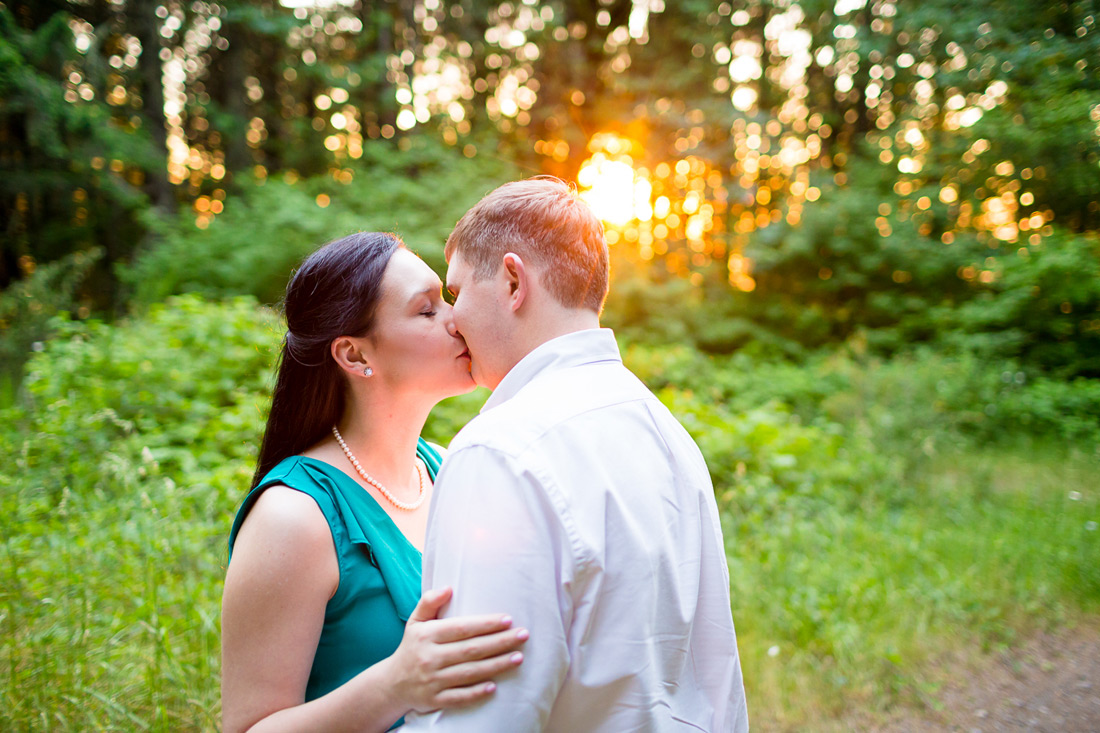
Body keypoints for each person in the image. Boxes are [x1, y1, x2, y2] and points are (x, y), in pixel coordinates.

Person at [403, 177, 750, 731]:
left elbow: (483, 716)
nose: (452, 318)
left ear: (513, 282)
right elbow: (716, 682)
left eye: (458, 291)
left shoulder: (499, 451)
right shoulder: (667, 435)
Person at [221, 232, 528, 733]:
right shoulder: (293, 517)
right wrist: (396, 684)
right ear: (356, 356)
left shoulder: (450, 469)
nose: (458, 319)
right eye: (427, 311)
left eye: (446, 300)